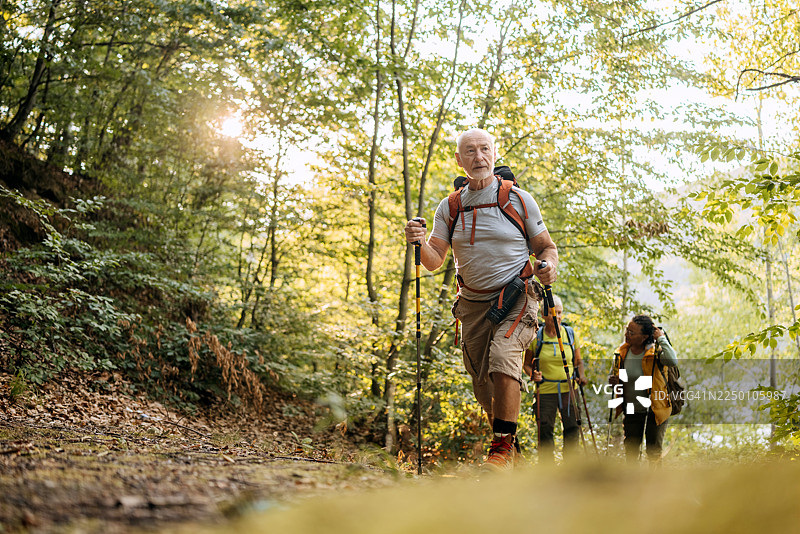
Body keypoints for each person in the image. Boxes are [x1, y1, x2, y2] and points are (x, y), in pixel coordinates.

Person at [404, 128, 558, 470]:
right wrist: (418, 242)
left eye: (484, 149)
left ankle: (500, 450)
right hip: (472, 306)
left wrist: (548, 267)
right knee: (483, 386)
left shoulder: (518, 199)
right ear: (459, 159)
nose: (479, 157)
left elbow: (546, 247)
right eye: (470, 151)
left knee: (504, 357)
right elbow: (434, 261)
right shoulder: (451, 207)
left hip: (516, 296)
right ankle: (512, 458)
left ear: (494, 154)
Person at [522, 294, 587, 462]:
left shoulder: (570, 335)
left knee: (572, 427)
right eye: (553, 313)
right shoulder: (536, 337)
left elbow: (578, 362)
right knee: (545, 429)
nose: (557, 317)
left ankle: (570, 467)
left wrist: (581, 375)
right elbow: (526, 364)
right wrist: (532, 375)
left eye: (560, 313)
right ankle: (547, 468)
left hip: (569, 389)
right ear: (544, 316)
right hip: (545, 390)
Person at [609, 315, 678, 463]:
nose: (627, 334)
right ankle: (633, 483)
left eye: (631, 332)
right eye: (627, 330)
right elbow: (614, 376)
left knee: (653, 451)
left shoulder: (656, 353)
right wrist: (613, 381)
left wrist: (661, 338)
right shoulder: (622, 352)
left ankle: (655, 484)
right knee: (631, 451)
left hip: (656, 408)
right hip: (632, 408)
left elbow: (673, 360)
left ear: (645, 336)